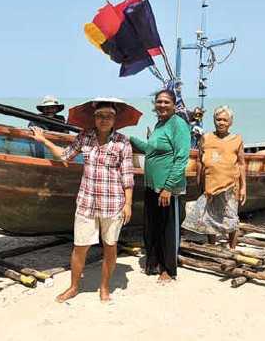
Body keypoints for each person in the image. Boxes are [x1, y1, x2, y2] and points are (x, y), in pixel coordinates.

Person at [30, 100, 134, 302]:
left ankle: (104, 288)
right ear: (94, 118)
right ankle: (74, 287)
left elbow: (127, 175)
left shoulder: (123, 142)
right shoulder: (85, 137)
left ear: (115, 119)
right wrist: (43, 140)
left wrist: (128, 203)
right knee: (80, 247)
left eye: (108, 116)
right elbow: (65, 156)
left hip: (113, 204)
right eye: (100, 115)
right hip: (86, 202)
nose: (104, 119)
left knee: (110, 246)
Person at [130, 89, 190, 283]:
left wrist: (168, 188)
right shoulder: (159, 125)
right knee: (152, 227)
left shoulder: (178, 125)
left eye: (166, 102)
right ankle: (154, 263)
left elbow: (181, 158)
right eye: (159, 102)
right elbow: (150, 150)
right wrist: (130, 140)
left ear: (174, 105)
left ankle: (168, 269)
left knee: (167, 229)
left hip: (167, 189)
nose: (162, 105)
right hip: (151, 186)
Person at [190, 105, 246, 249]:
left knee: (231, 218)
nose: (221, 122)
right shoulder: (206, 138)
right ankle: (212, 246)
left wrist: (243, 188)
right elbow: (199, 161)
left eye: (225, 120)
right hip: (210, 184)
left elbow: (241, 164)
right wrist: (199, 182)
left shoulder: (237, 139)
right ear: (214, 120)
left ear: (230, 122)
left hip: (230, 186)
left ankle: (232, 248)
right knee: (210, 217)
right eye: (218, 119)